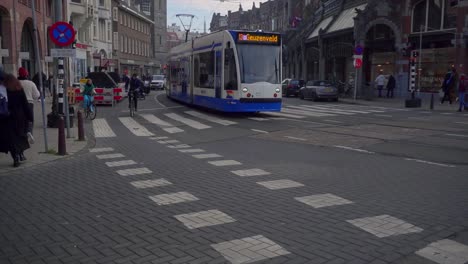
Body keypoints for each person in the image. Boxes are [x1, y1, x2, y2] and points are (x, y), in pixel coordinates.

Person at [0, 73, 33, 167]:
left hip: (6, 118)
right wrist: (30, 117)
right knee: (19, 137)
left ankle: (16, 157)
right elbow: (25, 104)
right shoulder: (18, 89)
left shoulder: (4, 90)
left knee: (11, 139)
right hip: (19, 118)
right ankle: (19, 154)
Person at [17, 67, 39, 144]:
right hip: (29, 103)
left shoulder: (16, 83)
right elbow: (37, 95)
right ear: (27, 74)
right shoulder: (31, 83)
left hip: (18, 104)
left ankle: (20, 136)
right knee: (29, 119)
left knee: (19, 120)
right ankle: (29, 132)